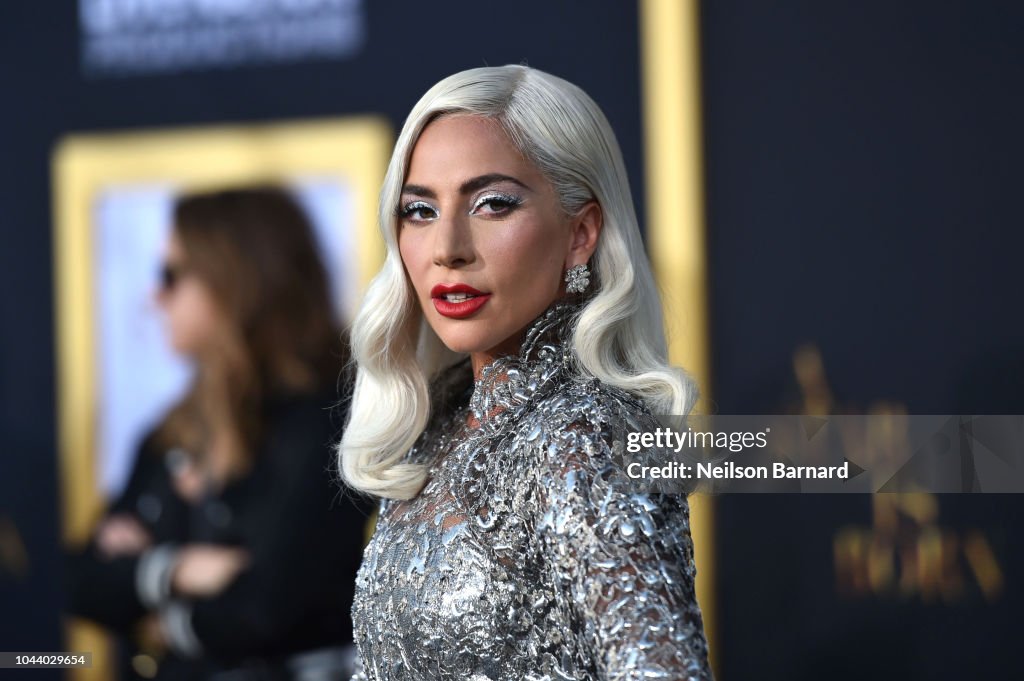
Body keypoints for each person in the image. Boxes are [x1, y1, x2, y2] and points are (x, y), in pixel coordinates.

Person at [337, 65, 714, 680]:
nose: (448, 247)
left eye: (492, 204)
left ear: (581, 233)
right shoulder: (445, 422)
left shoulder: (584, 437)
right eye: (420, 210)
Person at [66, 185, 374, 680]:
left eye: (170, 275)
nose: (154, 295)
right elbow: (82, 581)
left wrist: (152, 607)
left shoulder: (329, 418)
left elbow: (262, 612)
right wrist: (176, 569)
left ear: (238, 281)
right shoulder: (175, 427)